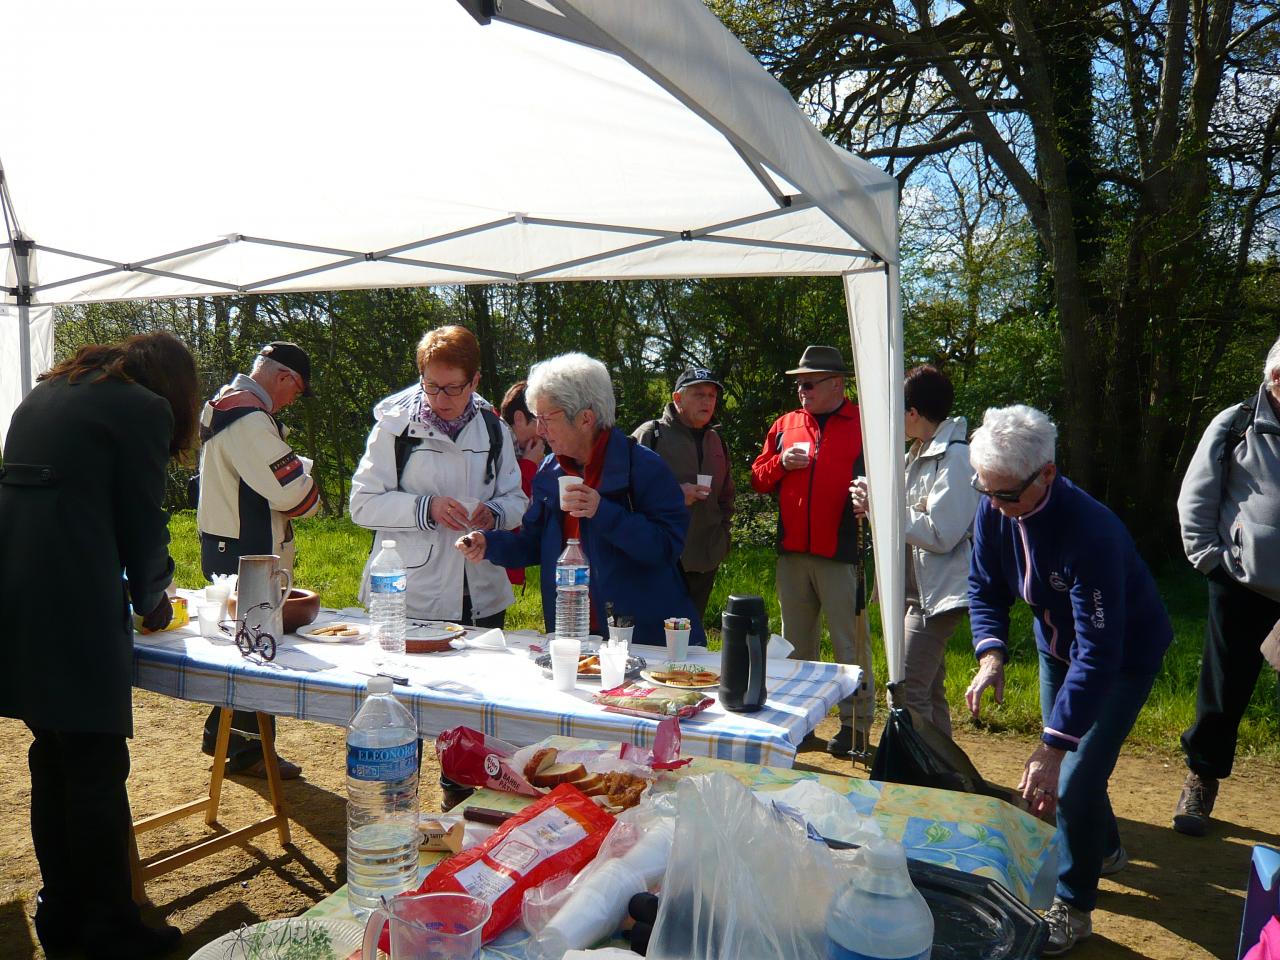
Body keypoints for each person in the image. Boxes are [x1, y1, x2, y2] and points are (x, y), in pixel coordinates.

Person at [0, 332, 197, 959]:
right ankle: (111, 927)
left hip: (14, 591)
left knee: (52, 758)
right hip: (70, 603)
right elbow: (140, 518)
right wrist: (154, 599)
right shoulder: (143, 407)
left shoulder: (49, 394)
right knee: (94, 769)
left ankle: (60, 911)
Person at [963, 405, 1172, 956]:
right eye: (986, 491)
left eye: (1006, 494)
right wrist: (991, 654)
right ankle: (1102, 845)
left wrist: (1052, 746)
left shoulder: (1091, 531)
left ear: (1046, 474)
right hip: (1057, 647)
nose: (995, 505)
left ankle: (1074, 907)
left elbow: (1100, 652)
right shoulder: (994, 507)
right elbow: (984, 586)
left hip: (1121, 657)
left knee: (1070, 778)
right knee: (1078, 769)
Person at [455, 352, 702, 645]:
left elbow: (666, 549)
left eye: (547, 418)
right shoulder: (550, 470)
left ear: (586, 418)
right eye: (537, 418)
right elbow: (535, 545)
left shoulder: (644, 468)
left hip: (641, 640)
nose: (539, 430)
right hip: (572, 636)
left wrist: (603, 511)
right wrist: (490, 543)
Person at [196, 341, 320, 779]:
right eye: (297, 390)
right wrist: (309, 475)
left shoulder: (229, 406)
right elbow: (293, 493)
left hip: (229, 541)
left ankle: (222, 734)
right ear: (284, 376)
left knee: (243, 643)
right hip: (247, 546)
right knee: (258, 649)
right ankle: (248, 751)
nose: (291, 401)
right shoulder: (249, 419)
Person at [1173, 334, 1280, 836]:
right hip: (1241, 584)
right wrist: (1210, 561)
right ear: (1274, 377)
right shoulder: (1235, 422)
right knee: (1222, 694)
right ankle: (1200, 782)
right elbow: (1195, 496)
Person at [350, 326, 527, 626]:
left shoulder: (494, 429)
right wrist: (427, 508)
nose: (441, 398)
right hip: (412, 596)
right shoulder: (394, 429)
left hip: (482, 595)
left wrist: (495, 513)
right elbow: (362, 504)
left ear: (474, 381)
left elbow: (517, 500)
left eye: (453, 388)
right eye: (431, 386)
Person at [750, 344, 871, 756]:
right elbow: (759, 478)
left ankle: (856, 729)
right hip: (792, 554)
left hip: (842, 554)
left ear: (837, 384)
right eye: (798, 384)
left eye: (810, 383)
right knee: (796, 645)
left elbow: (887, 483)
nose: (802, 390)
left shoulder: (865, 424)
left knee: (850, 645)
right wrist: (782, 462)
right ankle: (799, 727)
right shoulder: (785, 425)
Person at [850, 365, 979, 737]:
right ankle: (946, 777)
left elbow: (942, 534)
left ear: (913, 412)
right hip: (910, 594)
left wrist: (881, 507)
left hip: (935, 597)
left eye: (897, 411)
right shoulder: (918, 452)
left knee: (905, 691)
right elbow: (903, 517)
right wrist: (872, 501)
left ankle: (924, 776)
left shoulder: (955, 457)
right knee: (930, 692)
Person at [632, 366, 736, 624]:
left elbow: (727, 497)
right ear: (677, 398)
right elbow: (624, 491)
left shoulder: (717, 441)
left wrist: (722, 538)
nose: (707, 401)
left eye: (711, 395)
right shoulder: (651, 434)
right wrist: (675, 495)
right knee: (655, 639)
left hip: (705, 557)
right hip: (660, 559)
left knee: (692, 642)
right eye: (698, 394)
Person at [499, 379, 547, 588]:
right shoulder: (497, 445)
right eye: (540, 420)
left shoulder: (518, 448)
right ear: (519, 419)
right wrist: (529, 466)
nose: (545, 430)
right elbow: (512, 504)